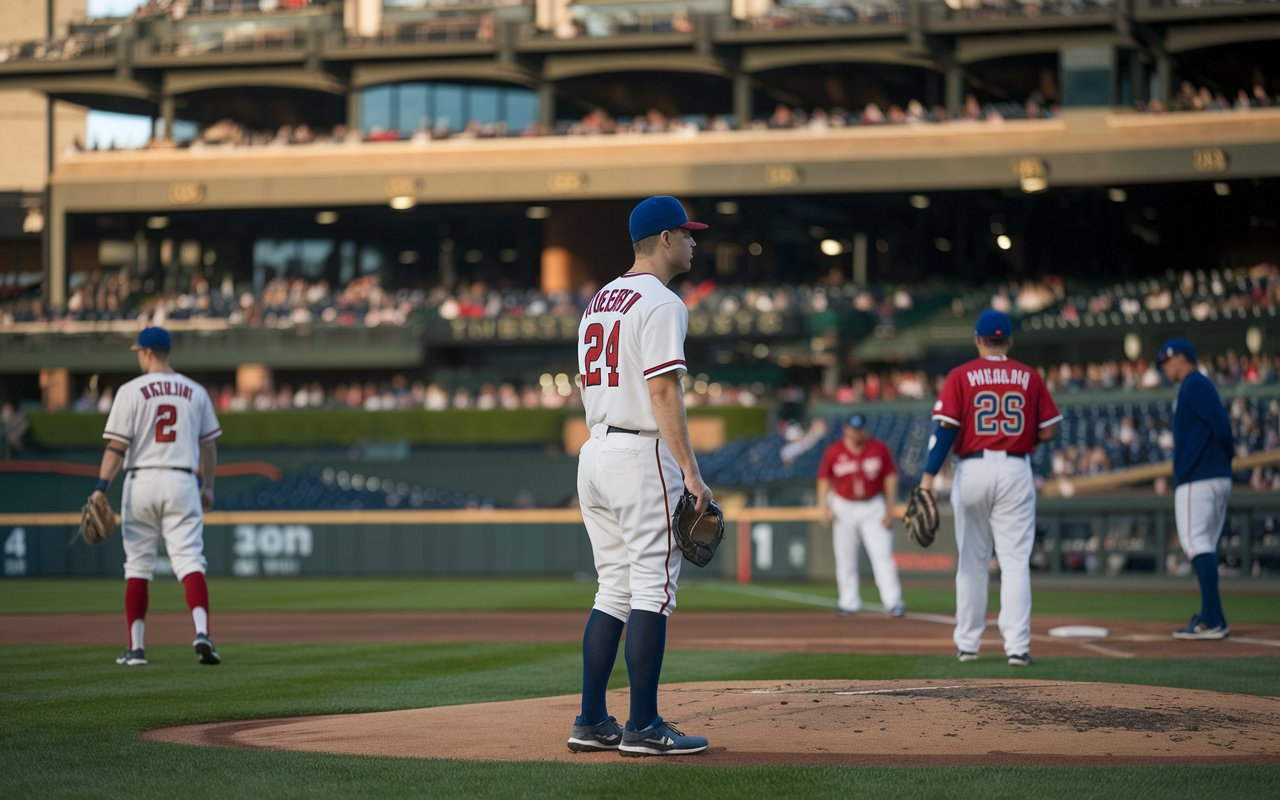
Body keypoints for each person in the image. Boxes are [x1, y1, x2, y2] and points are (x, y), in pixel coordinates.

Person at [568, 196, 712, 757]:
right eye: (689, 233)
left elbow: (587, 383)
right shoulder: (661, 301)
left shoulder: (599, 299)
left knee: (615, 589)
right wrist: (692, 475)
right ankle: (644, 726)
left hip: (596, 451)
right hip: (638, 452)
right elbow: (662, 391)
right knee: (652, 588)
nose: (695, 242)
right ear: (667, 239)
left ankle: (591, 718)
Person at [917, 310, 1060, 667]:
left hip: (974, 467)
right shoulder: (1028, 376)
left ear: (978, 339)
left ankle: (968, 644)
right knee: (1014, 563)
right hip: (1015, 467)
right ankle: (1018, 648)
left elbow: (946, 430)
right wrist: (1019, 436)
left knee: (972, 562)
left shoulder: (961, 375)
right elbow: (1049, 430)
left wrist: (928, 478)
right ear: (1008, 340)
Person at [93, 326, 223, 667]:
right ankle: (202, 632)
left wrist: (99, 488)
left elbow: (116, 447)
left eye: (139, 351)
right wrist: (208, 485)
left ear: (148, 352)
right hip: (183, 480)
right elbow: (208, 445)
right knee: (190, 560)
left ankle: (135, 649)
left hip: (142, 481)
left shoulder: (130, 390)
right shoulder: (195, 391)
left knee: (137, 564)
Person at [1157, 337, 1234, 639]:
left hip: (1199, 478)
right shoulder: (1197, 385)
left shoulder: (1194, 384)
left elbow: (1222, 427)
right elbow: (1221, 428)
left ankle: (1211, 620)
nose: (1165, 368)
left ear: (1182, 358)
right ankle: (1213, 616)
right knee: (1205, 545)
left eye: (1167, 361)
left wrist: (1213, 460)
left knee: (1197, 543)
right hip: (1215, 476)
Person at [816, 414, 905, 617]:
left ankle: (893, 602)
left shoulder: (879, 448)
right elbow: (824, 480)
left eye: (860, 429)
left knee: (882, 556)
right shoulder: (834, 451)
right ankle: (848, 602)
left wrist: (890, 510)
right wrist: (823, 507)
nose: (857, 433)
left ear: (865, 429)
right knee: (845, 558)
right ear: (846, 429)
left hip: (873, 505)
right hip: (843, 505)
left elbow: (890, 479)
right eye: (853, 429)